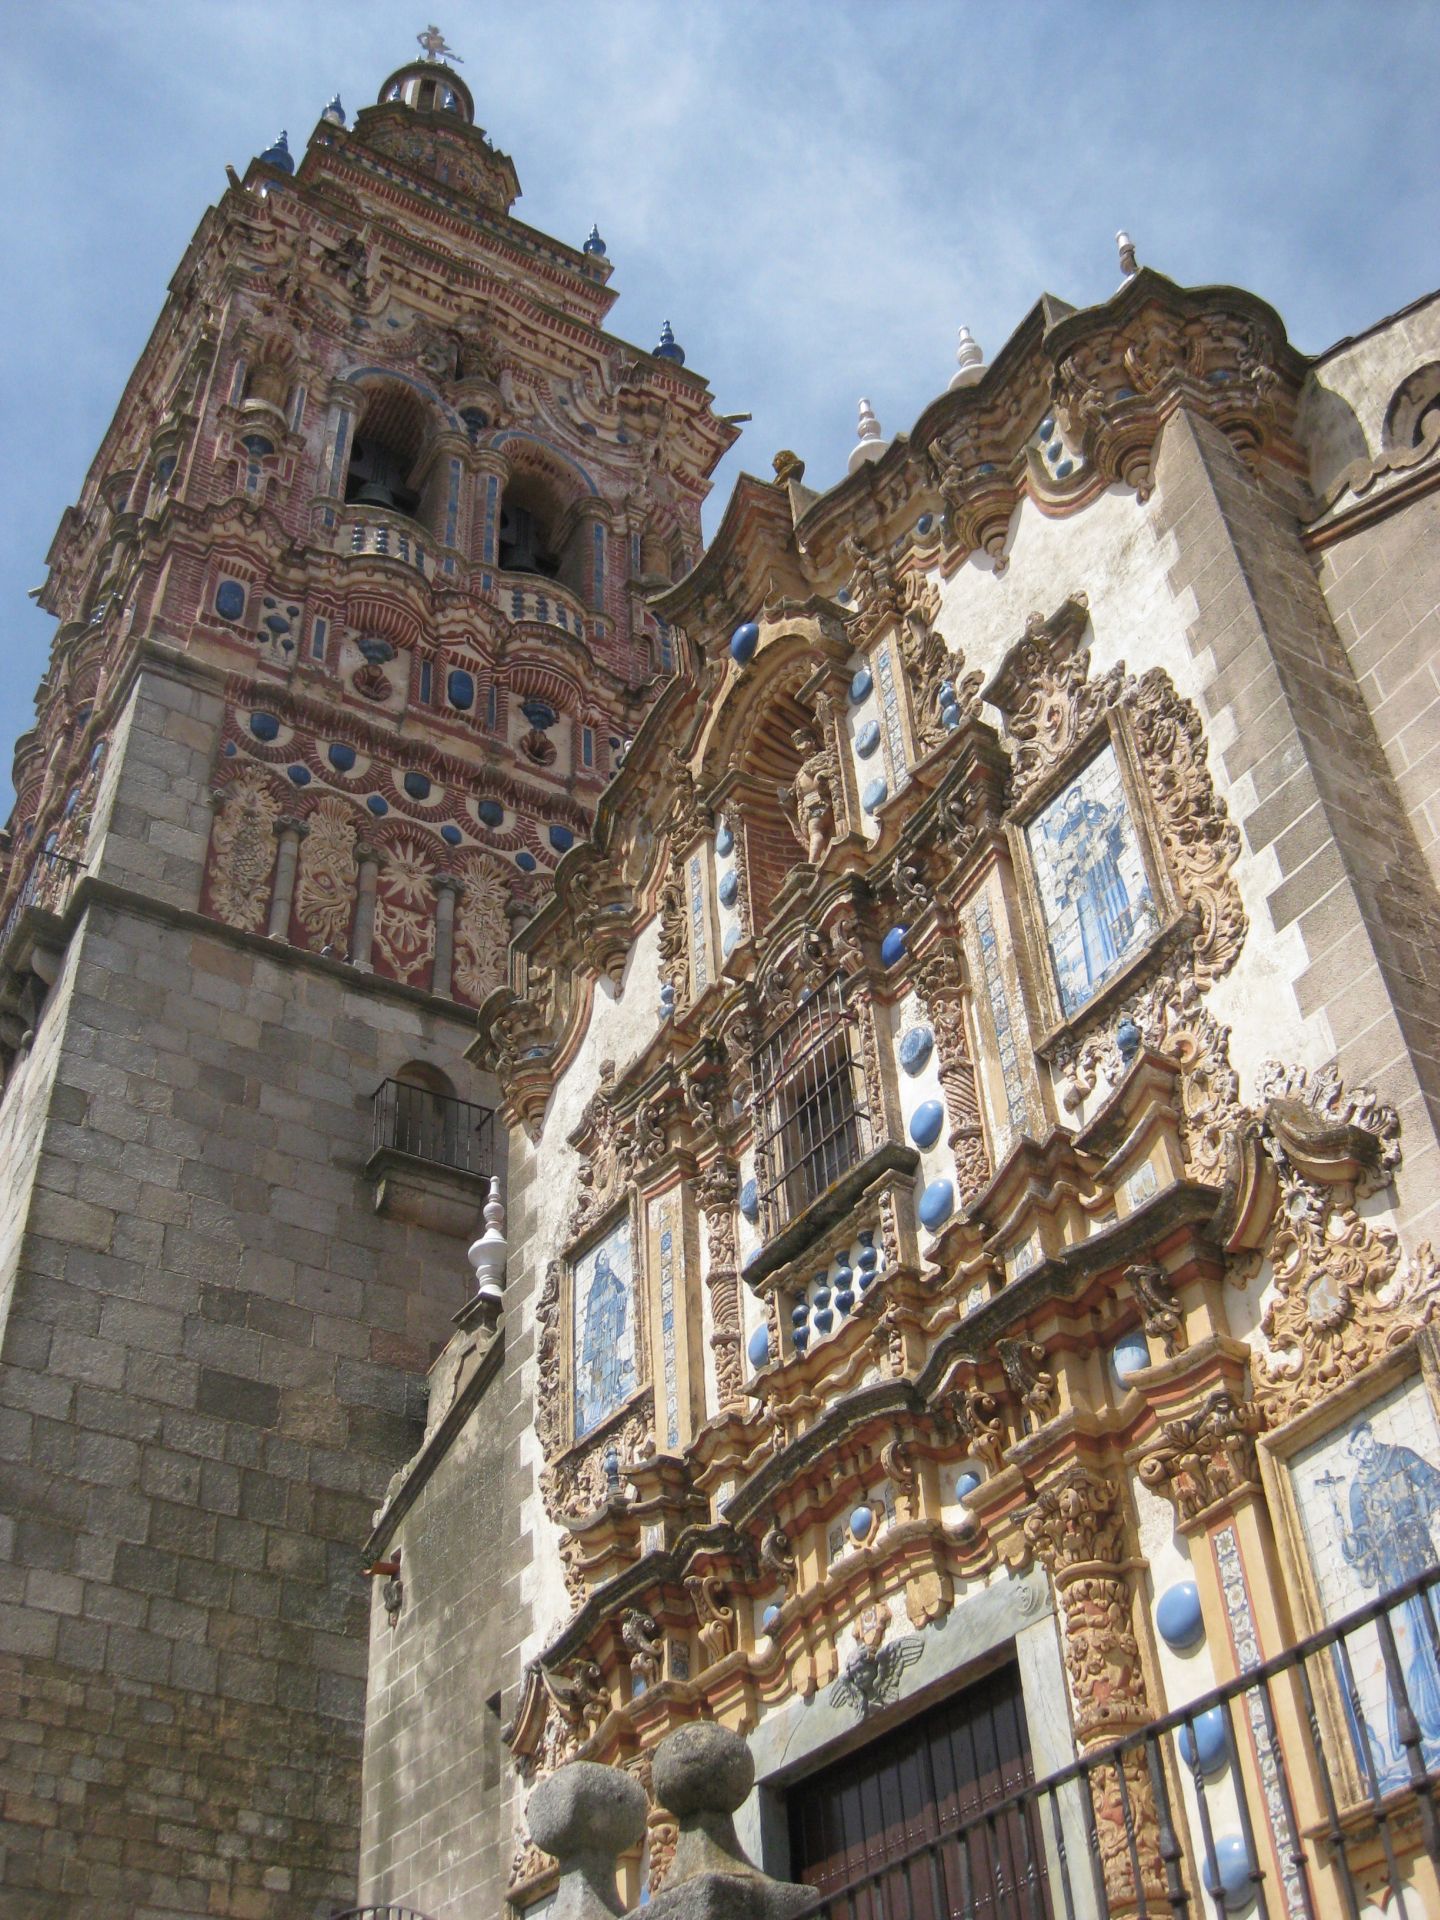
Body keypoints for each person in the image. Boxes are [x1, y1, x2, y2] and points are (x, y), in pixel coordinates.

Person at [1335, 1419, 1440, 1775]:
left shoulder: (1401, 1457)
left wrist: (1424, 1507)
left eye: (1364, 1442)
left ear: (1371, 1436)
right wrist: (1349, 1541)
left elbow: (1434, 1481)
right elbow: (1363, 1542)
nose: (1363, 1451)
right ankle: (1425, 1730)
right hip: (1392, 1576)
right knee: (1409, 1651)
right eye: (1356, 1450)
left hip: (1421, 1558)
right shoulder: (1357, 1490)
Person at [577, 1246, 631, 1436]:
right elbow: (593, 1311)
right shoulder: (595, 1286)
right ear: (597, 1264)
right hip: (599, 1337)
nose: (606, 1260)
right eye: (602, 1258)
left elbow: (622, 1292)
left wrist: (618, 1299)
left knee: (610, 1362)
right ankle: (600, 1404)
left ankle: (612, 1393)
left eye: (607, 1257)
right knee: (599, 1368)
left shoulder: (612, 1278)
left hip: (609, 1331)